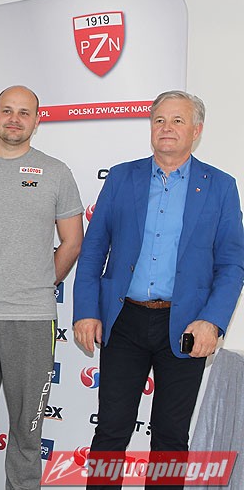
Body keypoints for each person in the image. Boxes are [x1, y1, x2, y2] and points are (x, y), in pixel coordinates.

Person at [73, 90, 244, 490]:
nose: (167, 128)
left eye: (178, 120)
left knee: (170, 439)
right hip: (124, 321)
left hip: (186, 326)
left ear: (196, 131)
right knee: (110, 432)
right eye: (159, 120)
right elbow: (94, 248)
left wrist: (213, 321)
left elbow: (232, 264)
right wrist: (86, 310)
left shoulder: (220, 186)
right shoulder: (122, 177)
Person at [0, 85, 84, 489]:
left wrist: (41, 281)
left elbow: (72, 242)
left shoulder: (56, 172)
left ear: (37, 121)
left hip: (32, 317)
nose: (14, 119)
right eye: (7, 110)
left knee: (28, 426)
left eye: (24, 112)